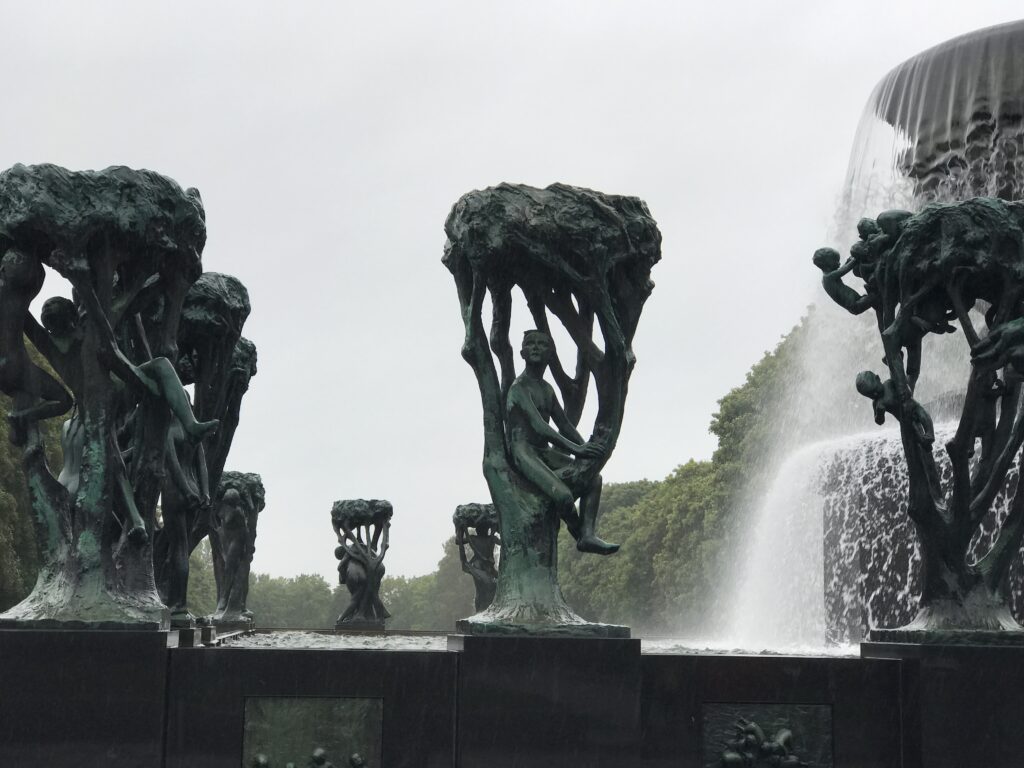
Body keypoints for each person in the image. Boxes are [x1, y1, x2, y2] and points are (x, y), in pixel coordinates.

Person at [506, 330, 616, 554]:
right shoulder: (518, 388)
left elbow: (564, 425)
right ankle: (578, 534)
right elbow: (540, 427)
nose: (536, 347)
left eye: (542, 344)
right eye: (531, 344)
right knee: (564, 496)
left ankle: (588, 534)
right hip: (522, 452)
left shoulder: (547, 389)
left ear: (550, 354)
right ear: (522, 352)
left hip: (542, 452)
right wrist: (579, 450)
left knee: (593, 479)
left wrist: (587, 448)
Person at [0, 248, 73, 444]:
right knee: (65, 400)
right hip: (17, 366)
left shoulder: (11, 289)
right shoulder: (18, 381)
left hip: (16, 364)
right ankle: (24, 418)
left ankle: (25, 418)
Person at [855, 370, 934, 446]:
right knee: (913, 433)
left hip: (912, 407)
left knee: (922, 414)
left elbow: (904, 383)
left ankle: (930, 434)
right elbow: (879, 422)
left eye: (875, 390)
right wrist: (880, 414)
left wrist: (907, 392)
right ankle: (924, 443)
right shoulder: (876, 403)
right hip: (903, 419)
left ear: (878, 378)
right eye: (871, 395)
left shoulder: (889, 384)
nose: (875, 394)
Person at [812, 247, 876, 316]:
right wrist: (857, 258)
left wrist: (848, 261)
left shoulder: (828, 276)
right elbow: (845, 269)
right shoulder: (828, 278)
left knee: (875, 299)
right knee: (876, 296)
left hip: (857, 302)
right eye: (836, 261)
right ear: (826, 263)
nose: (839, 263)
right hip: (856, 304)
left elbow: (842, 268)